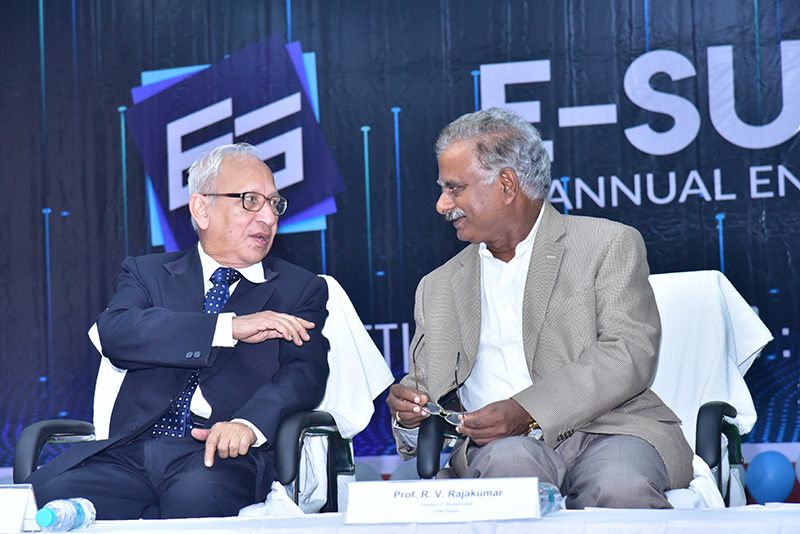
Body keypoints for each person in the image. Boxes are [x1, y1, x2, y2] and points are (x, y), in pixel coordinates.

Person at [386, 108, 693, 509]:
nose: (443, 205)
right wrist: (408, 415)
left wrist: (527, 410)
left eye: (454, 188)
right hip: (500, 448)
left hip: (611, 429)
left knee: (622, 487)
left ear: (507, 184)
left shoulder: (606, 244)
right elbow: (425, 391)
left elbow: (628, 353)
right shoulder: (438, 286)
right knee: (509, 476)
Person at [27, 143, 330, 519]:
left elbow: (305, 372)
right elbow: (116, 333)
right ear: (202, 209)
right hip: (129, 452)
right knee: (38, 502)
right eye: (251, 201)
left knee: (194, 501)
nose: (268, 217)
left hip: (220, 456)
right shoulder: (148, 273)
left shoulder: (299, 289)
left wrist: (248, 424)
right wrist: (226, 327)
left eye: (274, 203)